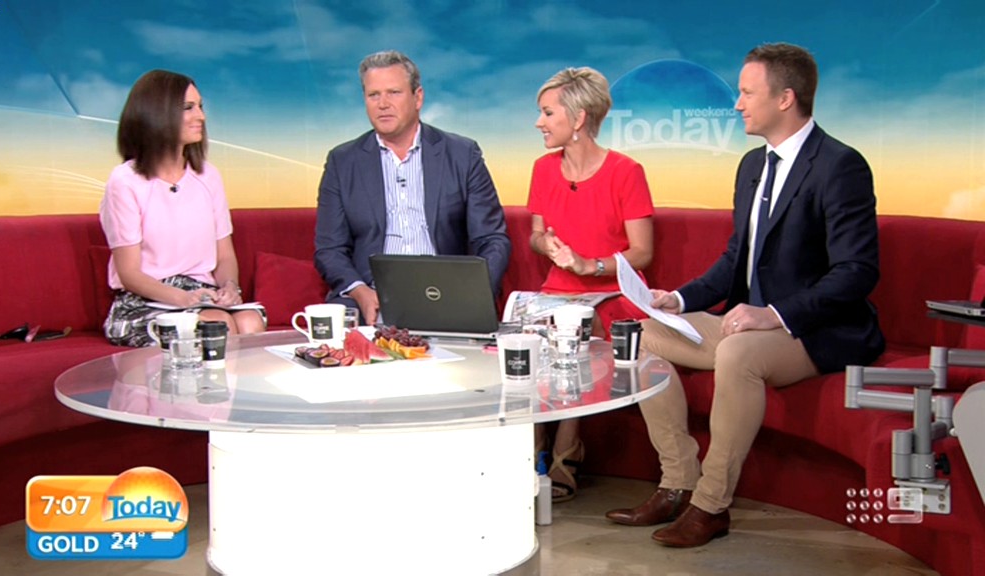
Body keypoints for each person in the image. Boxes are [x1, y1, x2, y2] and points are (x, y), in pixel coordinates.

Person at [604, 43, 885, 547]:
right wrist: (679, 300)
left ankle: (711, 506)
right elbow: (737, 258)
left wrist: (773, 314)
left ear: (785, 98)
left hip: (814, 328)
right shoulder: (752, 165)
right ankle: (677, 482)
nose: (736, 104)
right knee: (642, 336)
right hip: (748, 324)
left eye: (747, 93)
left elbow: (857, 272)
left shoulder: (840, 166)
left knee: (738, 353)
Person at [528, 67, 655, 502]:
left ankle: (565, 450)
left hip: (612, 295)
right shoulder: (543, 169)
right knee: (526, 332)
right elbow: (535, 234)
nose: (539, 122)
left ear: (579, 118)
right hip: (555, 291)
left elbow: (642, 252)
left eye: (548, 113)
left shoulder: (625, 171)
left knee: (574, 329)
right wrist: (547, 245)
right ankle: (531, 450)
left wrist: (589, 265)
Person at [314, 50, 511, 325]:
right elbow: (329, 249)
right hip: (370, 294)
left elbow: (492, 239)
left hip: (445, 292)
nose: (383, 104)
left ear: (417, 97)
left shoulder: (462, 154)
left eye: (393, 93)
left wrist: (469, 294)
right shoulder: (343, 161)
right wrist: (359, 291)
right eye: (373, 95)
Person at [100, 69, 265, 347]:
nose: (201, 116)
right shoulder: (125, 181)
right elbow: (129, 274)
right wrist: (184, 299)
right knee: (215, 324)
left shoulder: (208, 176)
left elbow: (224, 256)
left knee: (250, 321)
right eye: (188, 108)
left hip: (202, 296)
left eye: (200, 106)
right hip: (146, 300)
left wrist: (230, 287)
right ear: (157, 113)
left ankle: (238, 378)